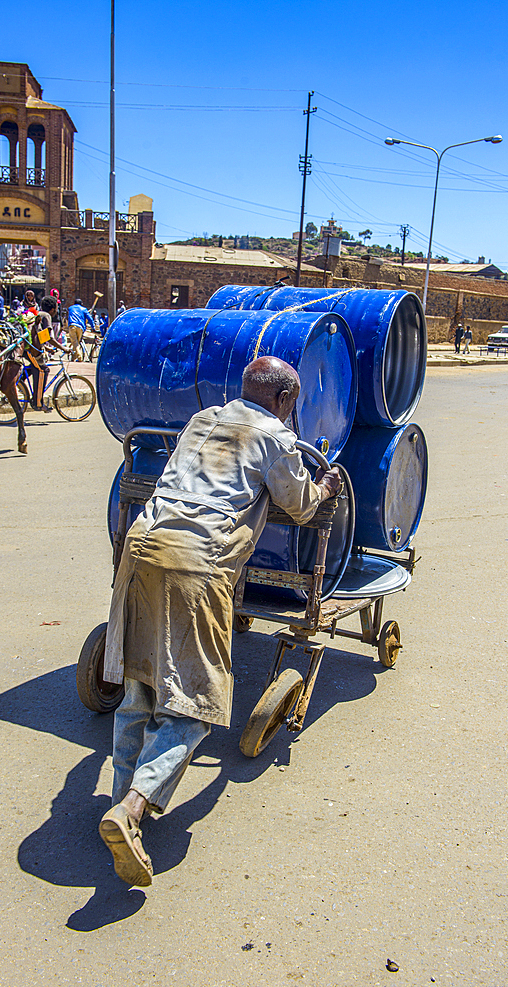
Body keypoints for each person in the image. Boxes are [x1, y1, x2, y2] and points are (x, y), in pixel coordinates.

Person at [97, 356, 342, 887]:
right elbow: (299, 505)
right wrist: (325, 488)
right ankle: (133, 809)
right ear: (283, 401)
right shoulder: (277, 436)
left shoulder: (203, 418)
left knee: (141, 685)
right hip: (196, 560)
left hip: (140, 547)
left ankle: (120, 802)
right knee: (196, 703)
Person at [23, 295, 70, 411]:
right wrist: (64, 348)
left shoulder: (39, 313)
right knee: (42, 370)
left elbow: (41, 336)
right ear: (53, 308)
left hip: (29, 348)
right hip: (32, 350)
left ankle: (19, 381)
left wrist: (47, 349)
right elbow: (49, 338)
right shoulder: (46, 316)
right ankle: (38, 403)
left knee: (38, 368)